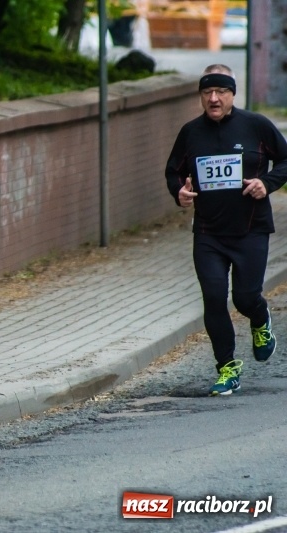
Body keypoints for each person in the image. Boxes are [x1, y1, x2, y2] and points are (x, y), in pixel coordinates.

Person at [165, 64, 287, 396]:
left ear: (233, 94)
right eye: (207, 93)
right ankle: (227, 368)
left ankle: (260, 319)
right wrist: (179, 192)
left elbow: (285, 160)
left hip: (251, 229)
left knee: (245, 297)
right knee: (215, 298)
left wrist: (266, 182)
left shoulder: (257, 126)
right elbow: (173, 171)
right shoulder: (191, 132)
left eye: (221, 92)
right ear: (201, 97)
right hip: (208, 233)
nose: (214, 99)